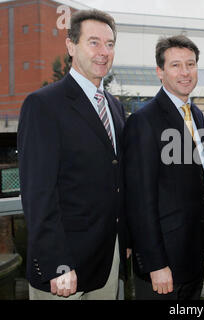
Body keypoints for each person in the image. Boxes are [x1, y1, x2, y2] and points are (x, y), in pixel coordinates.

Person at [17, 9, 128, 300]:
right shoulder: (43, 105)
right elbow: (38, 194)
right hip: (64, 268)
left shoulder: (115, 108)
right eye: (94, 42)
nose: (104, 52)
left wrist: (126, 239)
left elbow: (117, 179)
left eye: (110, 44)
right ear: (71, 46)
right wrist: (57, 263)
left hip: (107, 259)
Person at [123, 35, 204, 300]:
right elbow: (140, 202)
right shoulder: (143, 121)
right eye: (175, 65)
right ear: (159, 72)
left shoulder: (195, 115)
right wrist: (155, 264)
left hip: (192, 260)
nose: (185, 72)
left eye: (191, 64)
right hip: (163, 268)